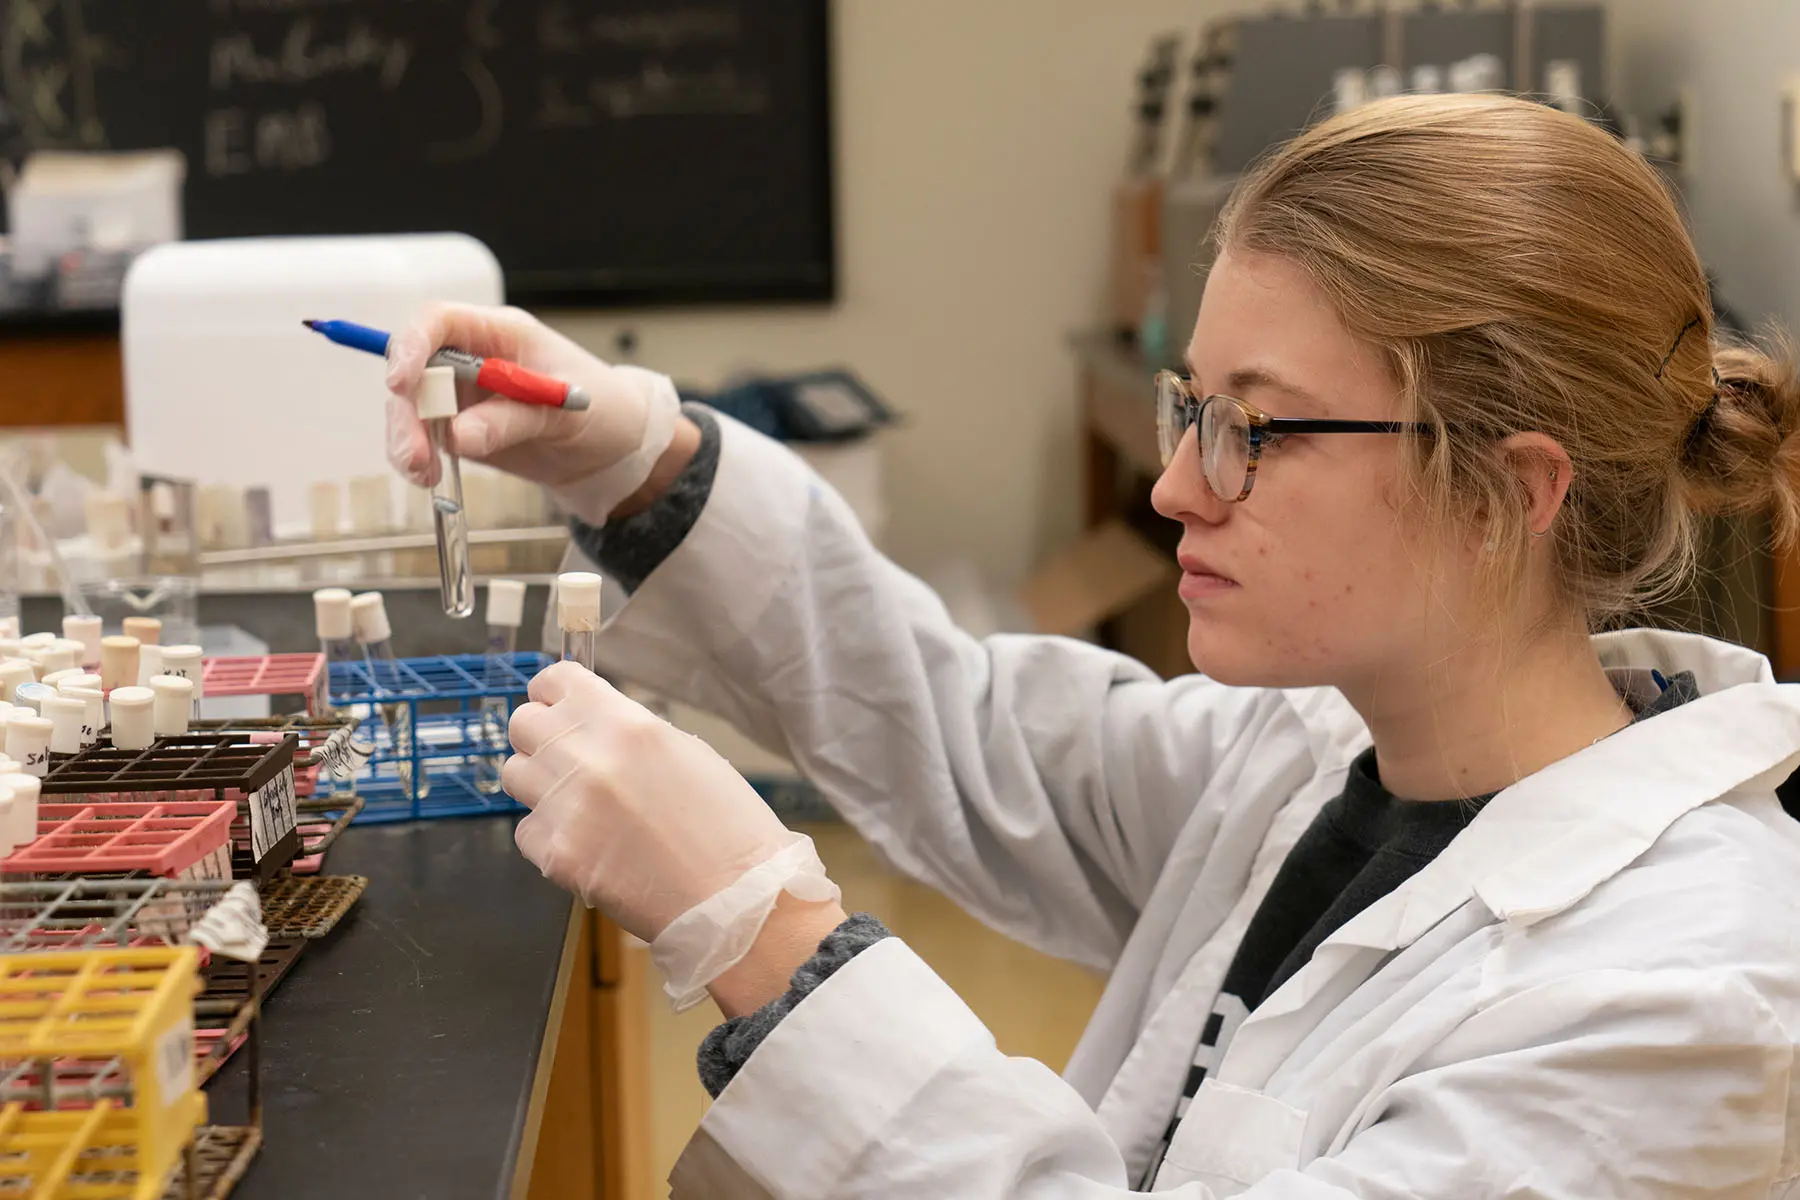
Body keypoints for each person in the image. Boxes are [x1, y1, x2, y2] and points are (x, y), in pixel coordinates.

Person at [384, 94, 1800, 1197]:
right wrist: (637, 452)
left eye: (1262, 427)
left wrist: (776, 939)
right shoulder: (1310, 758)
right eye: (1195, 407)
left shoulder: (1678, 995)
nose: (1178, 487)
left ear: (1514, 487)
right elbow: (957, 730)